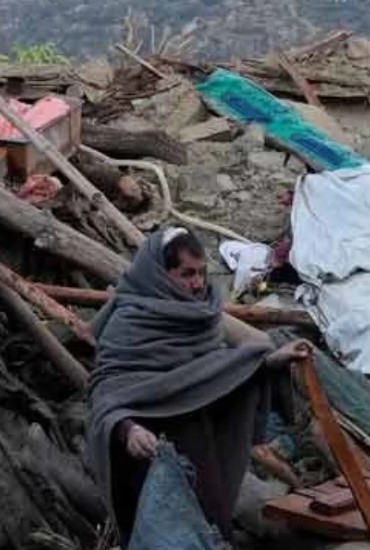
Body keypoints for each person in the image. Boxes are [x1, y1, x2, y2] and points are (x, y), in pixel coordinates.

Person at [86, 227, 311, 546]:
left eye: (202, 273)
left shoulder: (202, 315)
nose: (197, 284)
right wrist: (129, 430)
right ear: (160, 274)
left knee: (210, 524)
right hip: (152, 456)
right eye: (186, 274)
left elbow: (213, 374)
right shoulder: (130, 322)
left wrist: (268, 363)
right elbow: (105, 392)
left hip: (201, 447)